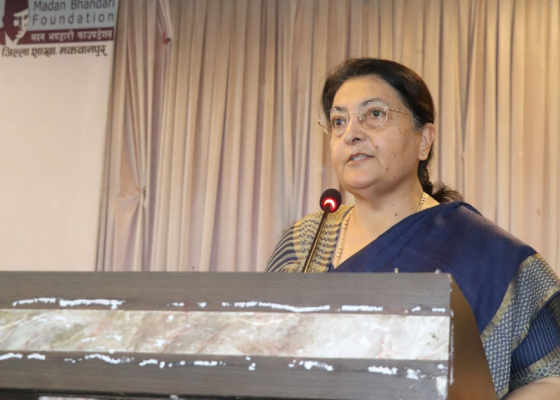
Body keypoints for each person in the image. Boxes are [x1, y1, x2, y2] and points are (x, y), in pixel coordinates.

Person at [266, 58, 560, 399]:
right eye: (339, 121)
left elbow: (551, 377)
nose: (351, 133)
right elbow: (255, 355)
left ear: (424, 140)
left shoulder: (485, 252)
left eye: (374, 114)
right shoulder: (304, 242)